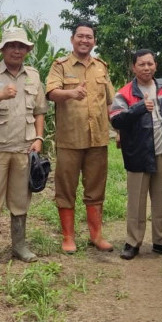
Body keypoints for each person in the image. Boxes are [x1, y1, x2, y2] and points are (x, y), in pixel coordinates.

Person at [0, 28, 48, 270]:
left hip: (23, 148)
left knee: (20, 199)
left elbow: (39, 111)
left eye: (21, 46)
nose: (17, 50)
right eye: (11, 45)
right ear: (2, 49)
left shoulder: (33, 76)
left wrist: (39, 138)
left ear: (27, 50)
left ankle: (20, 246)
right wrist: (0, 95)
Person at [45, 21, 116, 253]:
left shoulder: (101, 67)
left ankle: (96, 236)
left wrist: (120, 130)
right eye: (80, 36)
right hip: (70, 140)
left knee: (96, 187)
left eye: (89, 37)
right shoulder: (60, 66)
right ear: (72, 39)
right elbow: (51, 93)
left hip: (98, 139)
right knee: (66, 188)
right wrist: (71, 93)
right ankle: (68, 237)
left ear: (94, 41)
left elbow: (111, 102)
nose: (85, 40)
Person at [109, 49, 162, 260]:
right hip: (138, 155)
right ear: (134, 67)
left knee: (161, 201)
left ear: (155, 65)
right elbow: (115, 120)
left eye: (150, 64)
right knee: (136, 202)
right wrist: (139, 107)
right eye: (141, 64)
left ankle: (161, 241)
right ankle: (133, 242)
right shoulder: (124, 93)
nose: (146, 68)